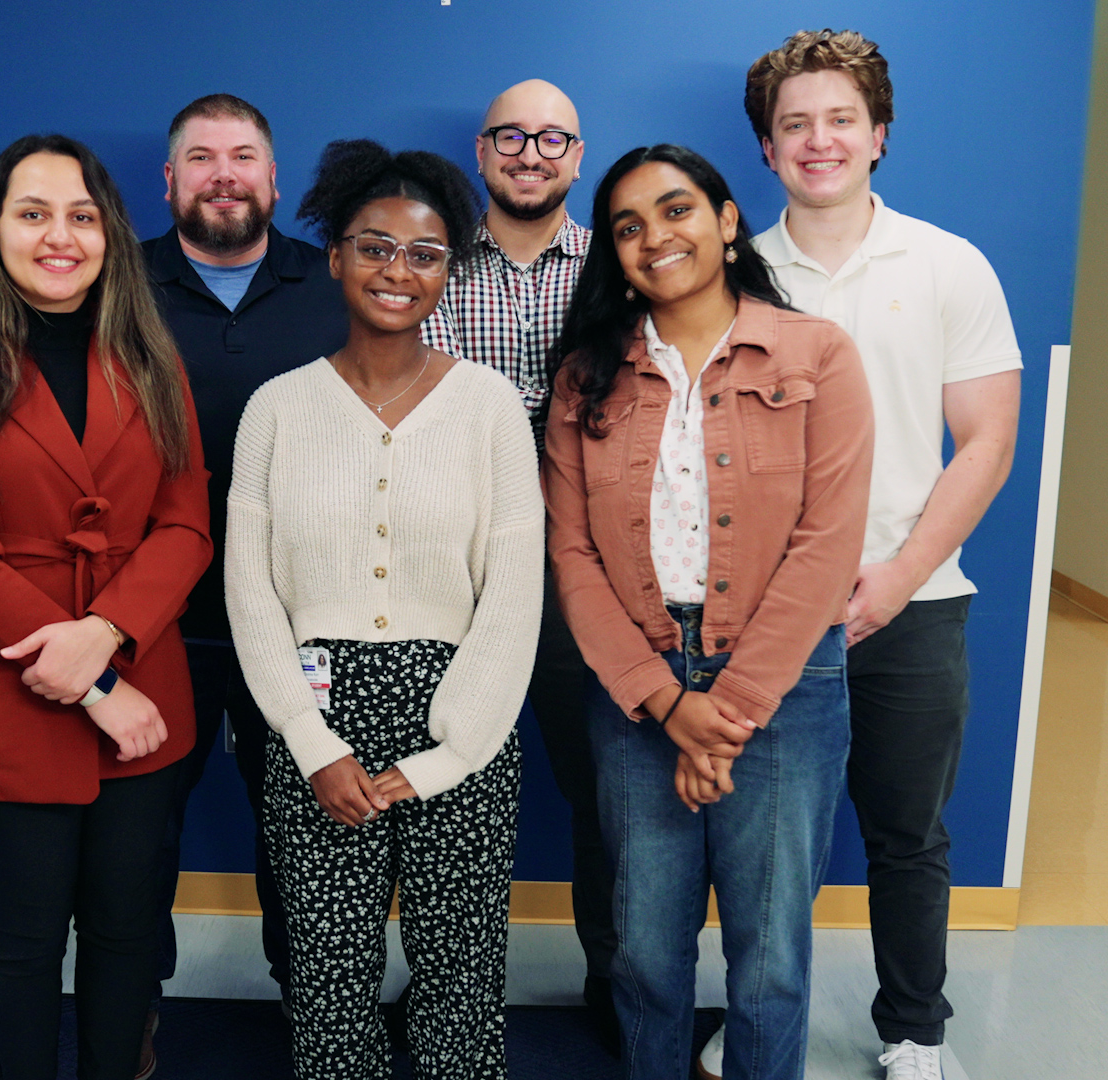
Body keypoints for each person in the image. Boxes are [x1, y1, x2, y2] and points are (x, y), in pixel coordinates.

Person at [543, 144, 873, 1080]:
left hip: (785, 687)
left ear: (728, 222)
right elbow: (572, 554)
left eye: (678, 210)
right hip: (637, 687)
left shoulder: (817, 354)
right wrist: (666, 703)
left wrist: (724, 718)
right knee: (645, 953)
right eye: (628, 225)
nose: (656, 237)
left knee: (769, 961)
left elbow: (829, 540)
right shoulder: (585, 378)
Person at [0, 133, 209, 1080]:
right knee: (22, 947)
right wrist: (93, 683)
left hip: (141, 675)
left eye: (80, 215)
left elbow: (186, 524)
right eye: (32, 214)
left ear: (109, 229)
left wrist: (106, 641)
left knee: (124, 938)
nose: (58, 235)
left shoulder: (151, 353)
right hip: (10, 686)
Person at [226, 139, 543, 1080]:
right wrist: (312, 744)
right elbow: (251, 591)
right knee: (327, 975)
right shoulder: (277, 409)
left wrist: (453, 752)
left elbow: (514, 591)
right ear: (334, 256)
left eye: (425, 253)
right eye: (374, 246)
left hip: (465, 722)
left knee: (460, 972)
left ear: (451, 270)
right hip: (316, 723)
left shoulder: (489, 409)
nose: (397, 270)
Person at [743, 30, 1022, 1080]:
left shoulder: (950, 265)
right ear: (769, 149)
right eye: (796, 124)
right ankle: (764, 1021)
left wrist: (895, 578)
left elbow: (987, 441)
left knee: (909, 838)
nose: (820, 141)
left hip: (916, 604)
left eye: (840, 120)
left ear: (880, 135)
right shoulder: (738, 275)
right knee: (765, 853)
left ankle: (915, 1032)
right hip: (764, 615)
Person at [140, 93, 347, 1035]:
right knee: (136, 835)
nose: (223, 173)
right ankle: (130, 1008)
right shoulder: (114, 284)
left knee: (307, 831)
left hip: (305, 619)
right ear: (170, 179)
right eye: (201, 157)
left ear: (273, 176)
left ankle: (317, 1015)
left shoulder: (338, 283)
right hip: (149, 620)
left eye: (243, 156)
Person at [419, 77, 619, 1042]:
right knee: (446, 788)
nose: (531, 153)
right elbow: (430, 410)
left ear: (578, 158)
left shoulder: (621, 263)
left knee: (607, 793)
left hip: (596, 576)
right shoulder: (431, 262)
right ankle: (446, 995)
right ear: (481, 148)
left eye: (553, 139)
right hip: (453, 570)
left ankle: (619, 989)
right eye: (511, 136)